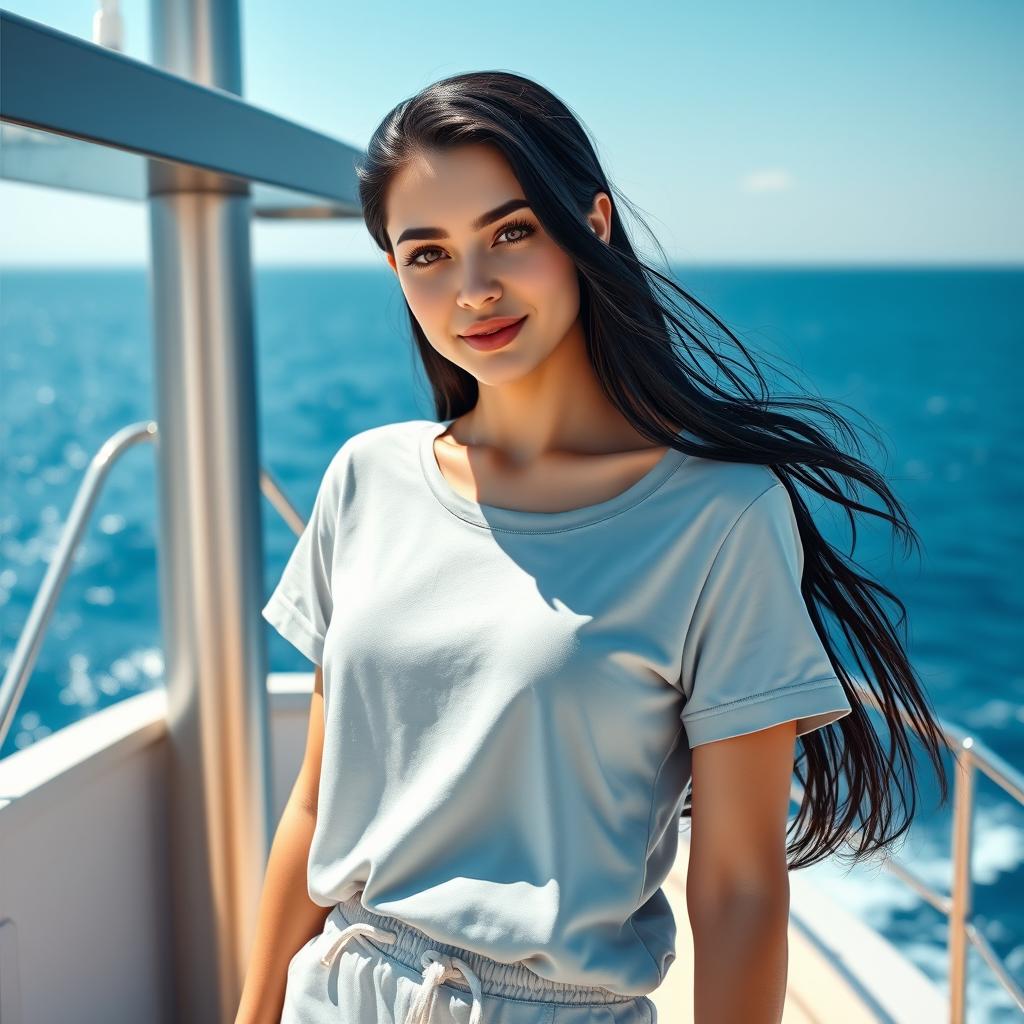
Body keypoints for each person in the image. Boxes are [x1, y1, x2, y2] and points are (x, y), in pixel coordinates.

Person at [235, 71, 951, 1024]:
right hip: (336, 993)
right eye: (427, 254)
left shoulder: (722, 517)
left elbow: (739, 887)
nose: (473, 289)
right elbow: (316, 810)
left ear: (595, 224)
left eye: (512, 232)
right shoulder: (366, 478)